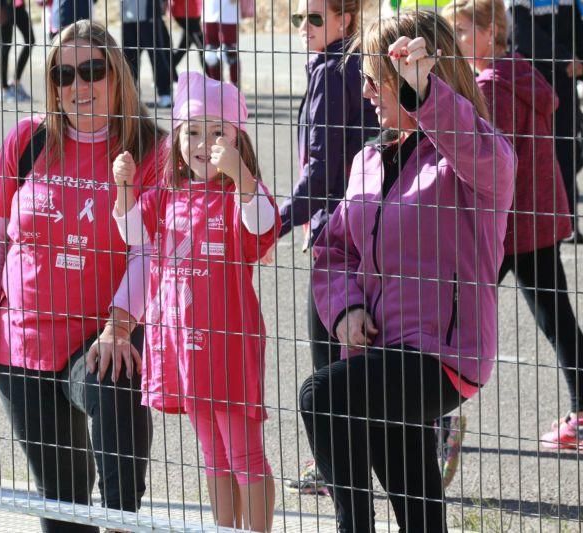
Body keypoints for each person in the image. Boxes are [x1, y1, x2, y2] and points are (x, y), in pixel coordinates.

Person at [300, 10, 514, 531]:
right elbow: (333, 250)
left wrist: (429, 98)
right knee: (420, 512)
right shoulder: (366, 161)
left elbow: (481, 154)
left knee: (320, 396)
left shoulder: (474, 155)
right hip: (381, 351)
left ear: (416, 77)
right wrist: (345, 309)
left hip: (442, 356)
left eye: (375, 78)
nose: (366, 91)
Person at [0, 20, 164, 532]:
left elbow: (148, 252)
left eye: (92, 71)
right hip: (21, 345)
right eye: (64, 75)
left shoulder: (148, 148)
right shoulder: (27, 141)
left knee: (117, 381)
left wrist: (119, 326)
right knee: (62, 504)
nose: (78, 87)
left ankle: (121, 521)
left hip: (97, 337)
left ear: (117, 77)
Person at [109, 72, 280, 531]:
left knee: (244, 453)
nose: (206, 144)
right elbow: (132, 234)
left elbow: (263, 227)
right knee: (213, 455)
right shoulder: (168, 194)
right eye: (193, 132)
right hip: (183, 347)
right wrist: (124, 188)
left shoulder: (236, 194)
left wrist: (241, 175)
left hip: (229, 347)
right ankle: (226, 526)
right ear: (178, 140)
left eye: (218, 131)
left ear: (238, 138)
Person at [444, 0, 583, 451]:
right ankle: (581, 414)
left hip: (508, 229)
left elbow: (485, 163)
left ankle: (432, 418)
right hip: (533, 220)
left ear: (490, 32)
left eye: (463, 32)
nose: (458, 42)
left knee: (450, 314)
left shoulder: (493, 87)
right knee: (556, 320)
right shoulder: (519, 71)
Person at [272, 0, 376, 496]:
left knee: (328, 364)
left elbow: (320, 168)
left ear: (344, 20)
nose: (304, 28)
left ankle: (337, 471)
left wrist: (276, 222)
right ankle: (340, 463)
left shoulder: (334, 72)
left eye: (314, 19)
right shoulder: (349, 64)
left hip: (334, 232)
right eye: (299, 18)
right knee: (351, 353)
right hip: (358, 227)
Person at [509, 0, 583, 241]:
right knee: (536, 153)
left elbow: (577, 30)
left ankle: (568, 221)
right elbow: (524, 33)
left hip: (565, 84)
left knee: (569, 152)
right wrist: (564, 59)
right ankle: (544, 220)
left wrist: (577, 61)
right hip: (534, 82)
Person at [122, 0, 174, 108]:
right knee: (129, 57)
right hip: (127, 14)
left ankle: (165, 94)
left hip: (148, 13)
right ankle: (132, 95)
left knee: (156, 54)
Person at [0, 0, 36, 103]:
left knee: (30, 41)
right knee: (5, 46)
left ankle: (16, 82)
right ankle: (4, 89)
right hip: (2, 6)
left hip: (18, 6)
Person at [202, 0, 247, 87]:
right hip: (209, 8)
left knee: (229, 53)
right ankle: (216, 87)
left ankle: (235, 89)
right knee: (210, 55)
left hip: (229, 9)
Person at [170, 0, 205, 78]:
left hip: (193, 13)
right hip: (185, 13)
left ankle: (168, 71)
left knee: (185, 45)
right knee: (203, 47)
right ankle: (212, 78)